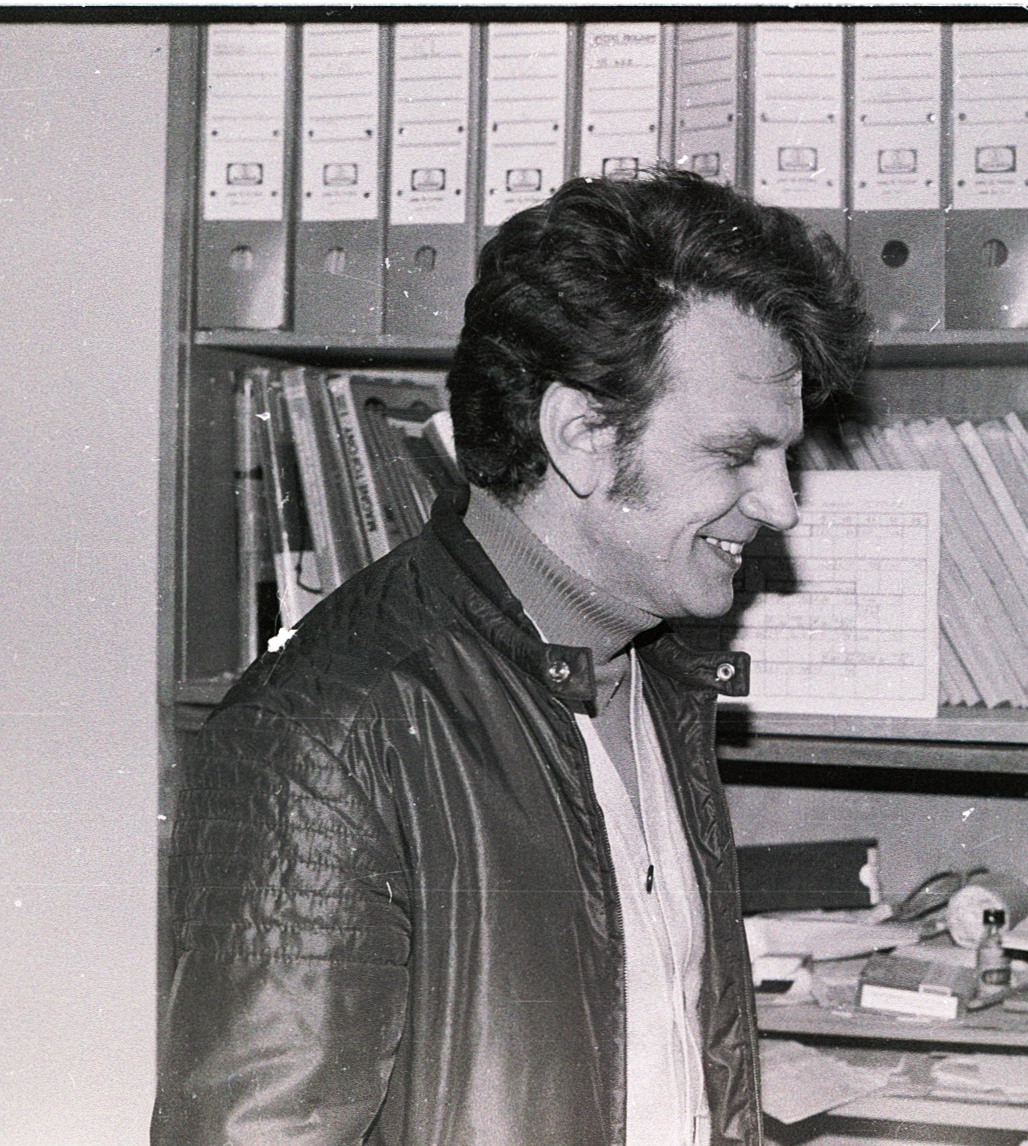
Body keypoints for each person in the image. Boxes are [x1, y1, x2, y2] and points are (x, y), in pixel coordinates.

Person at [153, 167, 869, 1145]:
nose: (781, 505)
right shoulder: (327, 735)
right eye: (737, 454)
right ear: (580, 435)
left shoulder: (659, 667)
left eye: (784, 459)